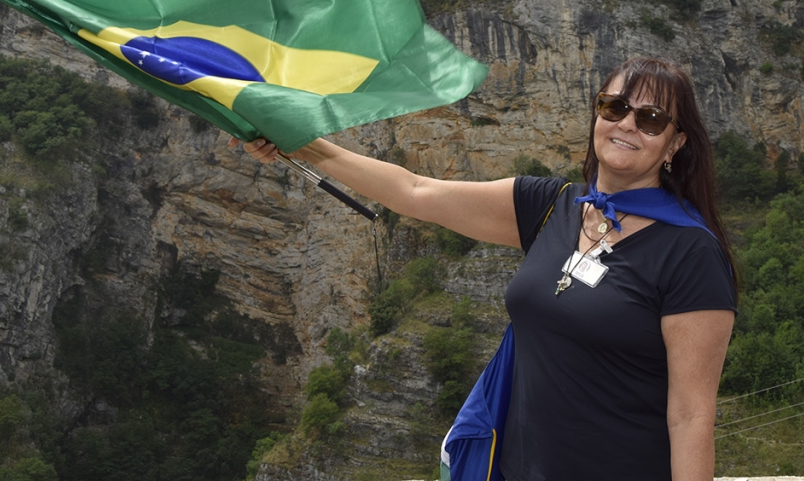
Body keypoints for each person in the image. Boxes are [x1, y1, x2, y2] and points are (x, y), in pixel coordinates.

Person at [237, 56, 737, 481]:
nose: (627, 124)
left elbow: (691, 416)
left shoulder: (690, 253)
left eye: (651, 119)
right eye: (615, 107)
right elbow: (415, 192)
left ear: (674, 144)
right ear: (597, 113)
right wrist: (302, 143)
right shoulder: (551, 207)